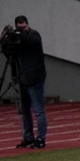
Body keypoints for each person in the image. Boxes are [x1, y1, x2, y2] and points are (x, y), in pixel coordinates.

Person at [10, 15, 48, 149]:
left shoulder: (34, 35)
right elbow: (10, 54)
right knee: (25, 110)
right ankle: (28, 137)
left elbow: (31, 42)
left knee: (38, 109)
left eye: (24, 27)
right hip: (23, 77)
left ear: (27, 25)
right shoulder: (18, 39)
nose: (22, 30)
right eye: (20, 28)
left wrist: (20, 33)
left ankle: (41, 138)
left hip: (35, 77)